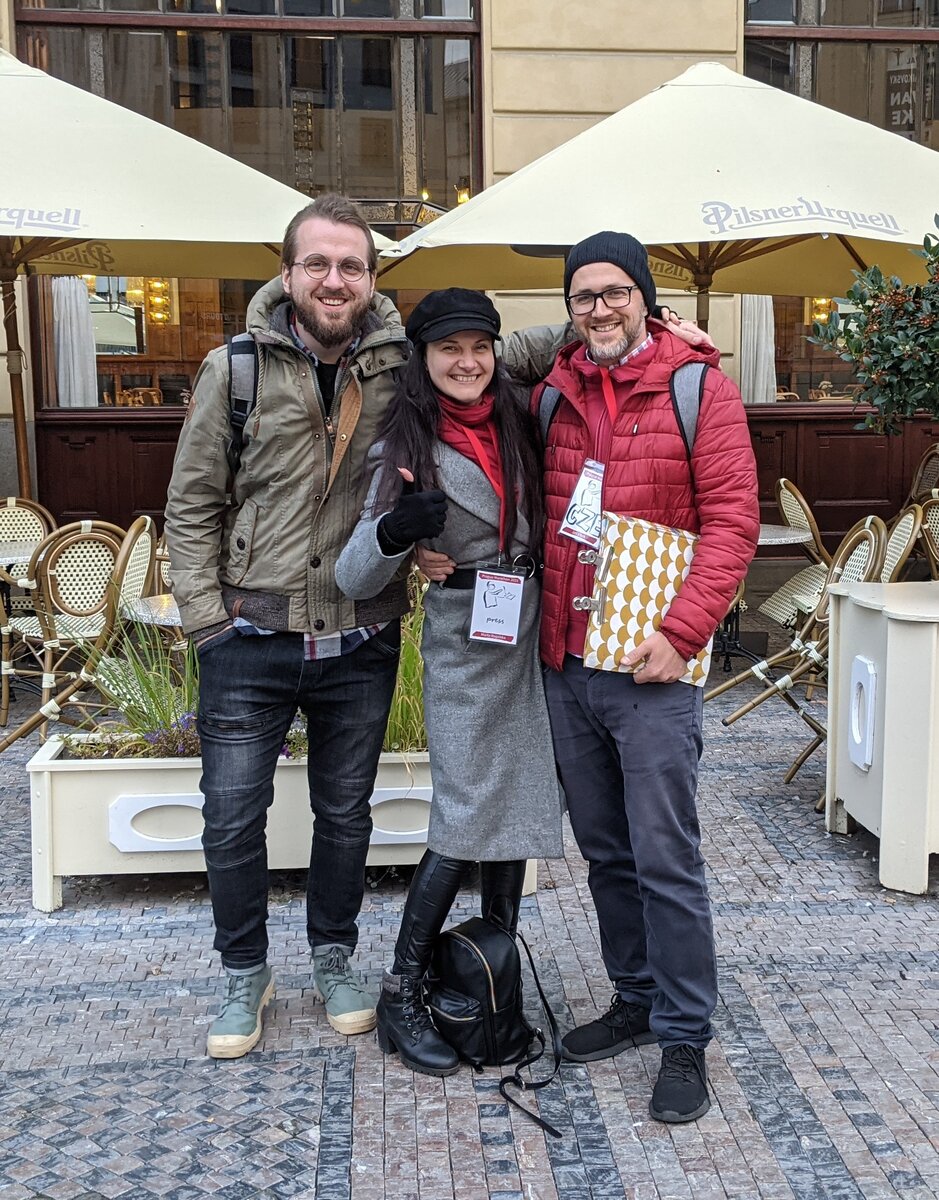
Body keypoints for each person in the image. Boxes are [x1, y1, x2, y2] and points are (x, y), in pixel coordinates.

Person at [420, 233, 759, 1122]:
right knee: (606, 851)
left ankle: (684, 1031)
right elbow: (475, 389)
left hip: (651, 665)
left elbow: (731, 527)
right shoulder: (549, 395)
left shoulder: (700, 390)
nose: (600, 309)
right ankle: (637, 998)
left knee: (665, 855)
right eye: (582, 297)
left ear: (644, 297)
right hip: (567, 664)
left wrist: (683, 634)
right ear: (566, 311)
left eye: (615, 293)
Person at [164, 194, 412, 1059]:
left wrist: (632, 323)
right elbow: (190, 507)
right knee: (232, 819)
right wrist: (206, 624)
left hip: (359, 640)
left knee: (345, 815)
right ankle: (244, 972)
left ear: (372, 280)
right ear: (288, 272)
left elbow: (496, 355)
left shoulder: (400, 365)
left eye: (351, 265)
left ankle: (334, 957)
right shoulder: (232, 370)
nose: (334, 279)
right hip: (249, 640)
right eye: (319, 264)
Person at [335, 288, 564, 1077]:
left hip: (529, 626)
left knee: (518, 803)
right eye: (447, 350)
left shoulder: (520, 413)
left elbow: (583, 324)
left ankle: (492, 972)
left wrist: (659, 319)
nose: (466, 362)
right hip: (466, 640)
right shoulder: (406, 443)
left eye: (479, 347)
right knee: (467, 813)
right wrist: (399, 530)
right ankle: (402, 990)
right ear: (423, 361)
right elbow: (352, 568)